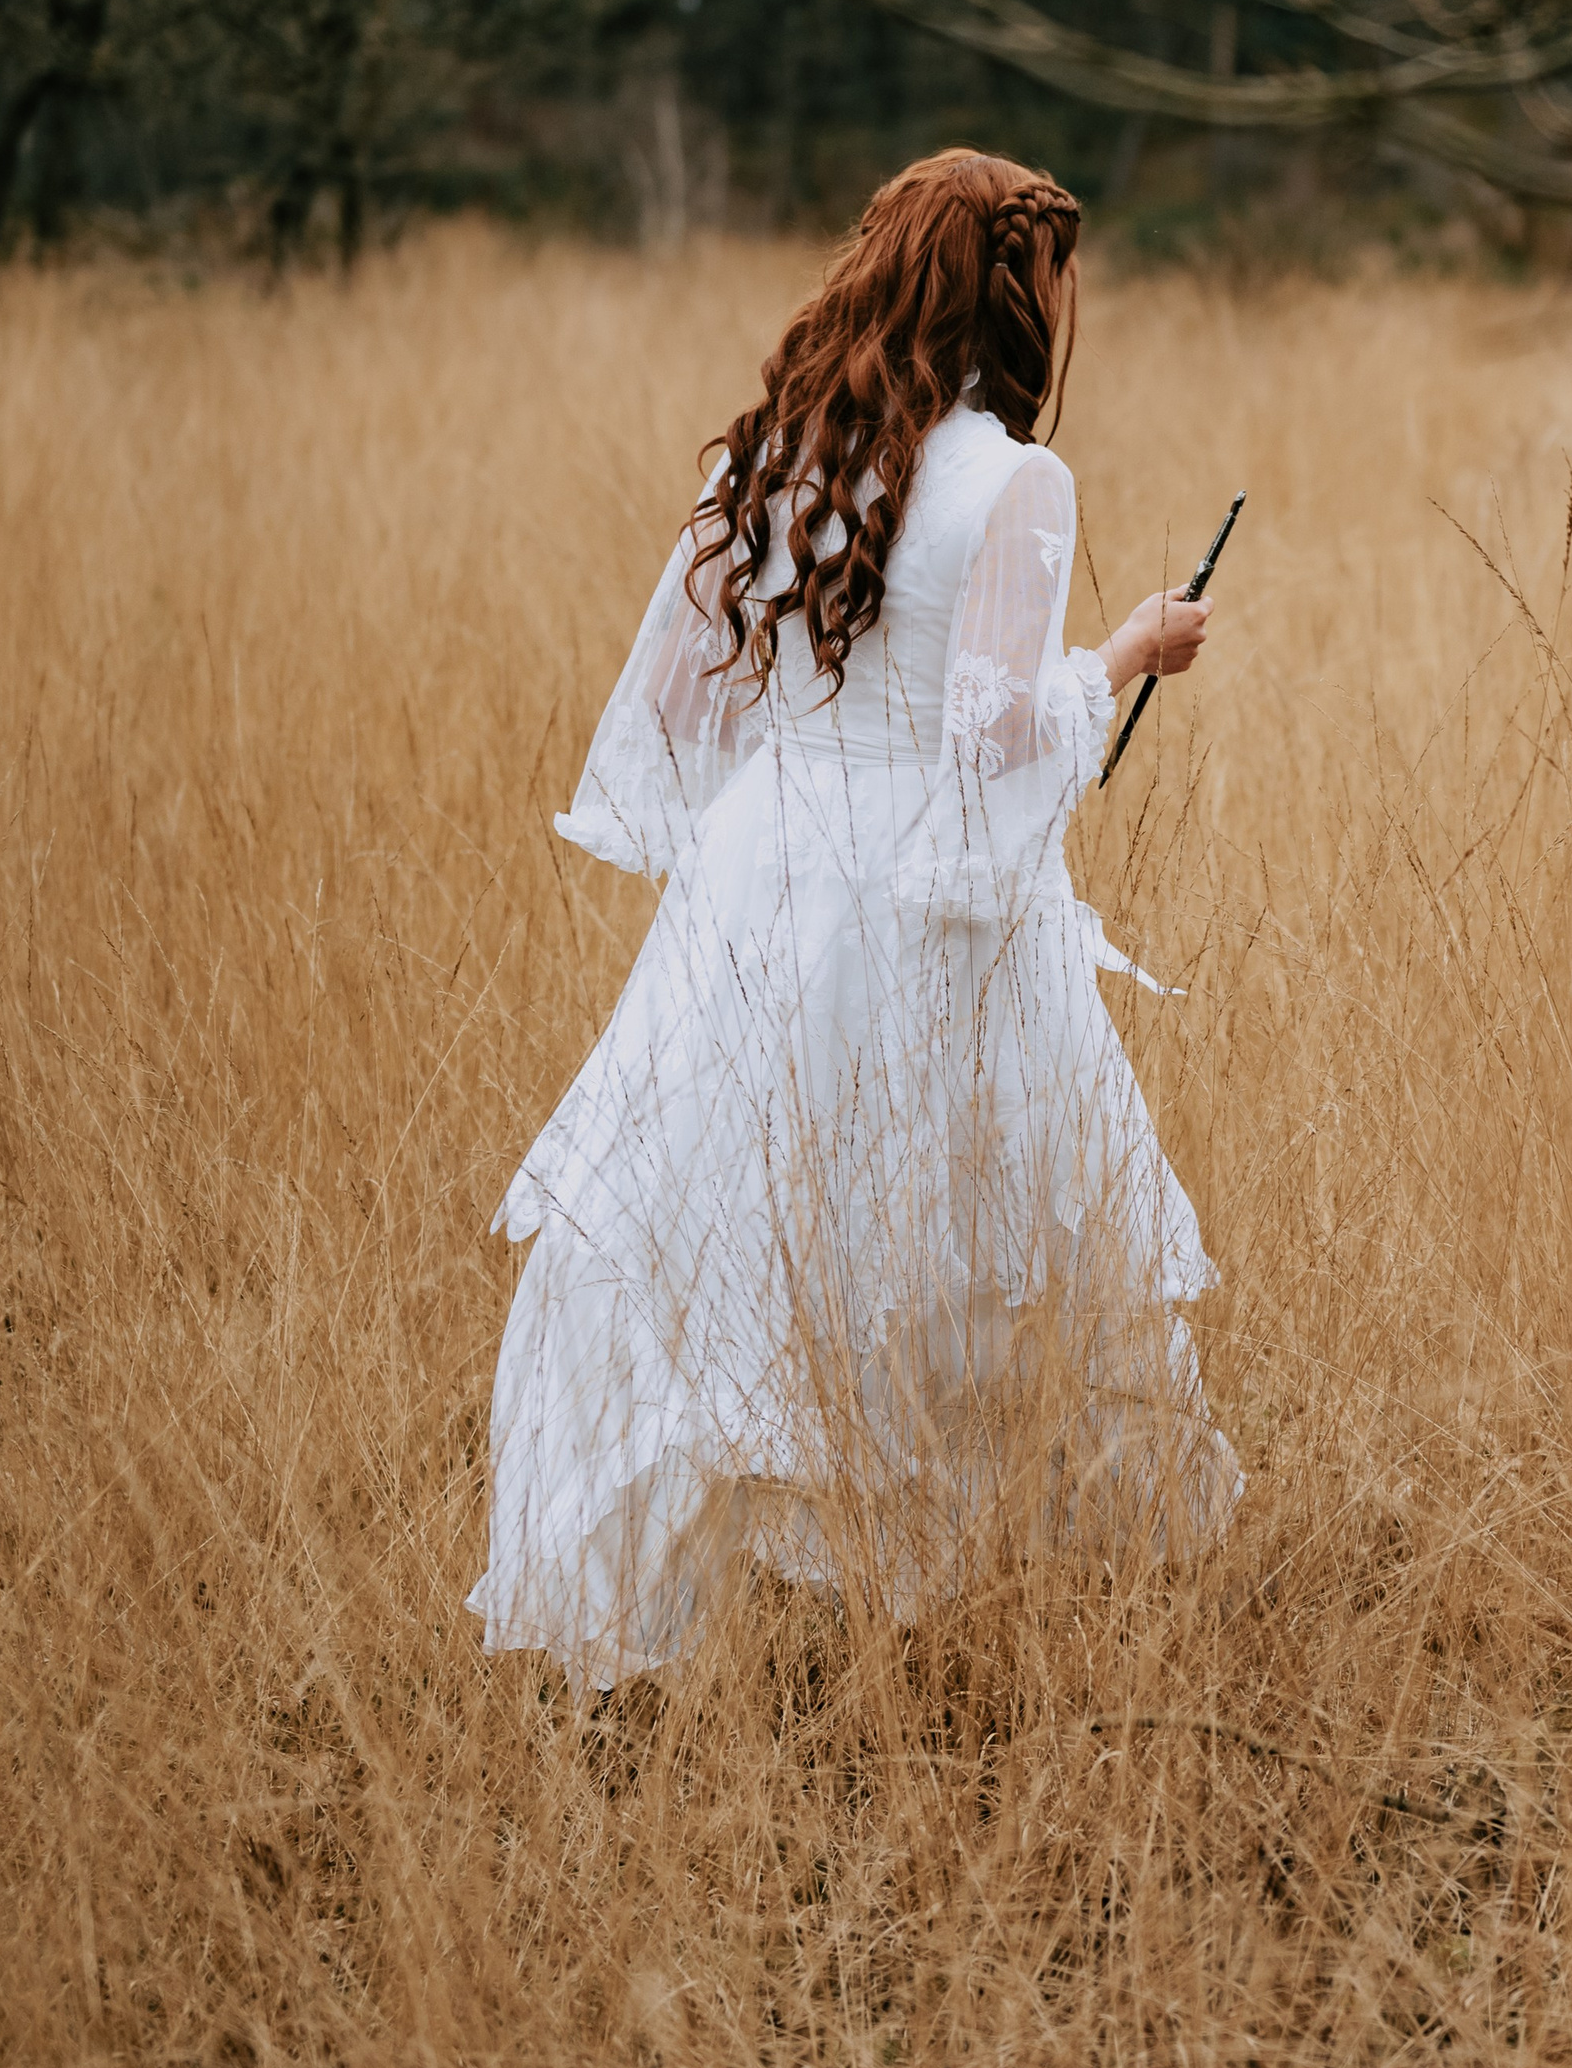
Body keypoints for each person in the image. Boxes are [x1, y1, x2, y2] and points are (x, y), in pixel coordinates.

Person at [469, 150, 1240, 1693]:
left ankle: (759, 1620)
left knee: (750, 1232)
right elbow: (991, 744)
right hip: (922, 898)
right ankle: (917, 1621)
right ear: (1015, 292)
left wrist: (802, 776)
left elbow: (696, 697)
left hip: (763, 880)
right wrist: (1131, 652)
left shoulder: (777, 454)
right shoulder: (1017, 481)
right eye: (1058, 275)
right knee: (949, 1235)